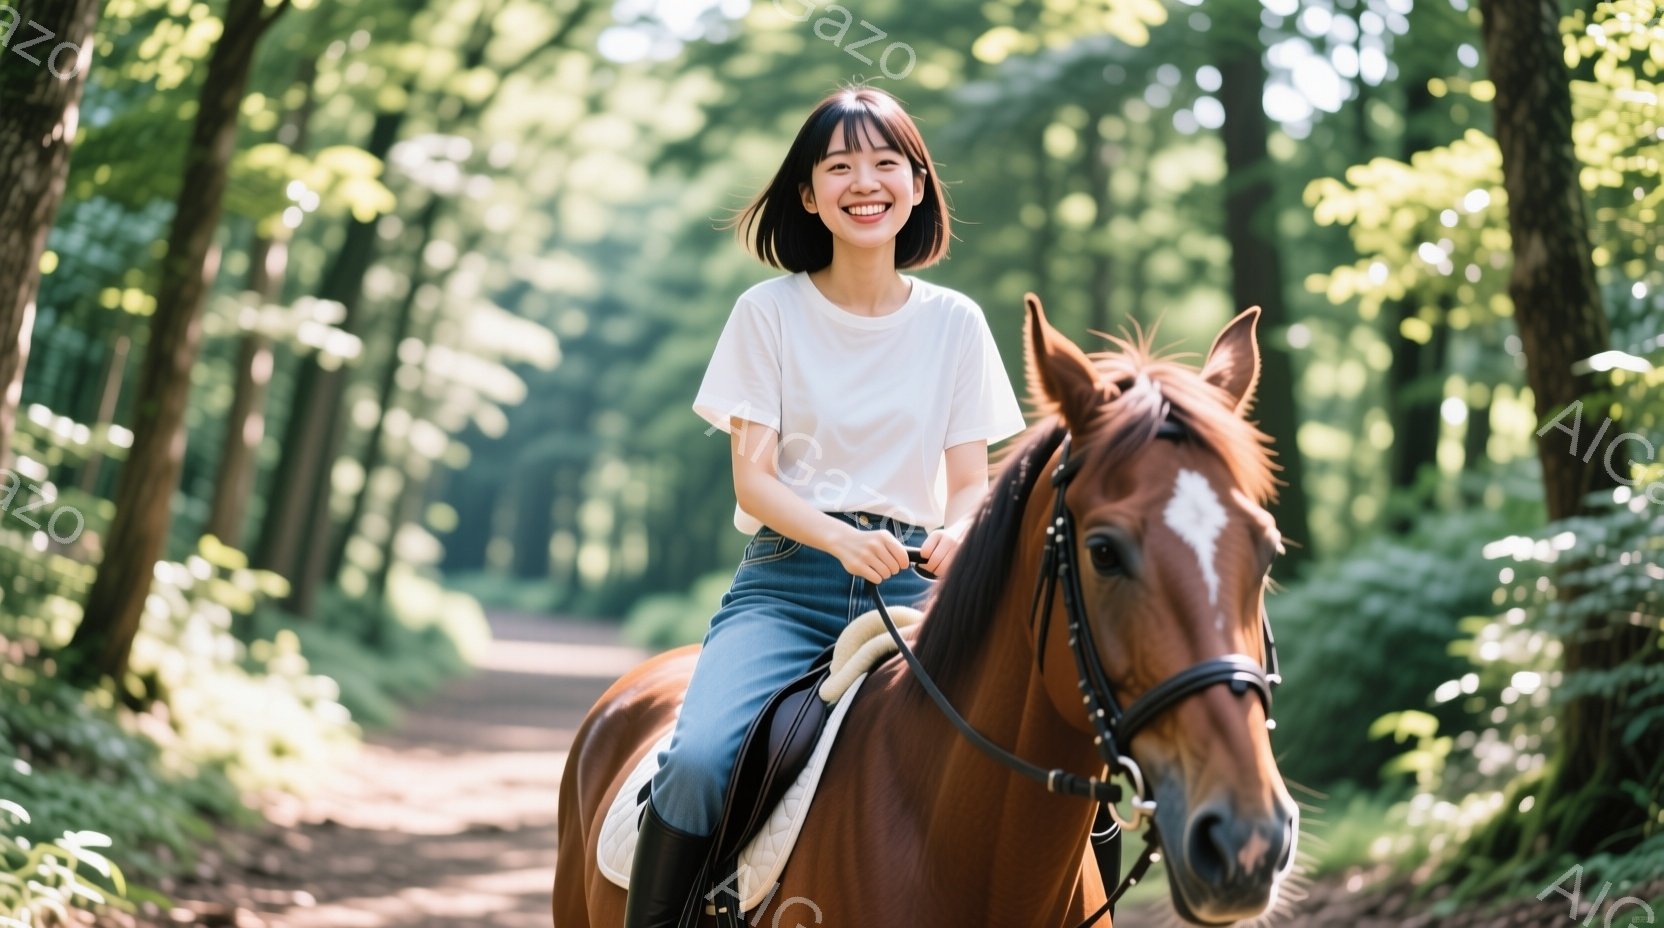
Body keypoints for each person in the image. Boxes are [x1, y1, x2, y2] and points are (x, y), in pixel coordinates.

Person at [624, 85, 1026, 928]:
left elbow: (968, 481)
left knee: (1041, 744)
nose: (864, 181)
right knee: (698, 761)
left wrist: (956, 531)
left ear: (917, 185)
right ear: (809, 194)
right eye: (839, 165)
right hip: (787, 586)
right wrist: (844, 541)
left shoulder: (956, 324)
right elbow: (755, 481)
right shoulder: (766, 313)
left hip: (920, 594)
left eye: (885, 163)